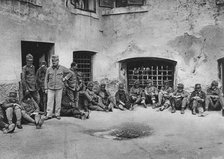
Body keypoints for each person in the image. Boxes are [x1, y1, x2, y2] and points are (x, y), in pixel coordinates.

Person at [44, 55, 72, 120]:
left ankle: (57, 114)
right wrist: (45, 88)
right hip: (50, 88)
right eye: (52, 61)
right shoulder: (48, 69)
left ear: (58, 61)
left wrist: (65, 78)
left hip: (59, 87)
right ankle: (49, 115)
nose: (54, 62)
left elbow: (70, 73)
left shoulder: (62, 68)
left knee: (58, 101)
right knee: (50, 101)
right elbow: (46, 79)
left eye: (55, 61)